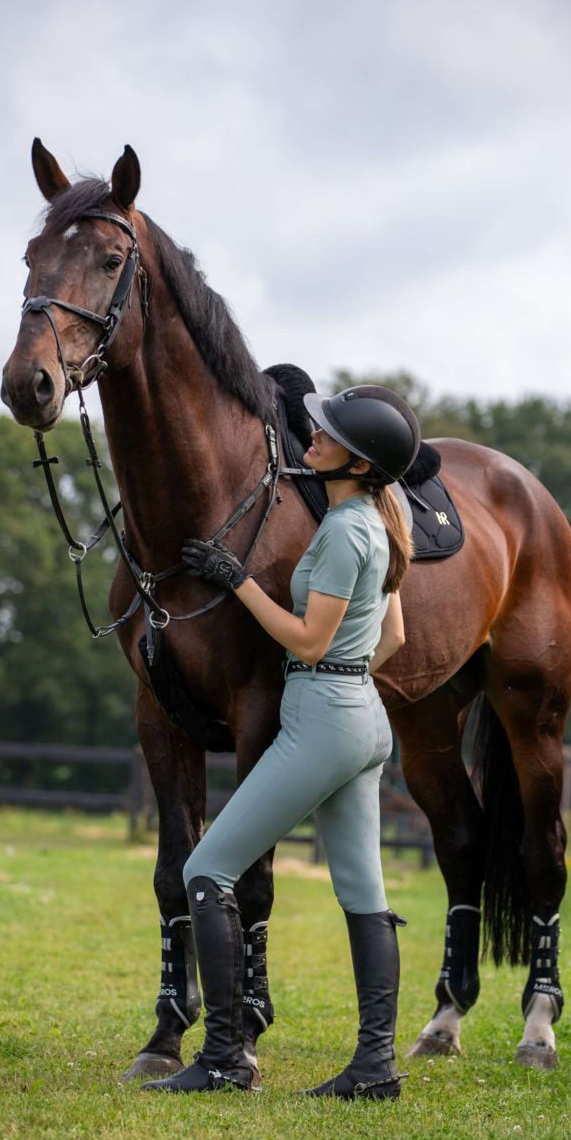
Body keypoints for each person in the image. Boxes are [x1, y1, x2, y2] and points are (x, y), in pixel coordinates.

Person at [141, 384, 421, 1098]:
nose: (311, 437)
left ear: (358, 464)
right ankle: (374, 1068)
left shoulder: (341, 532)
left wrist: (236, 580)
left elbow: (306, 636)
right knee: (363, 891)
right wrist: (349, 680)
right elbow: (391, 636)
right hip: (362, 717)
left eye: (326, 435)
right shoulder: (381, 528)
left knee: (207, 870)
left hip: (324, 717)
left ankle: (227, 1058)